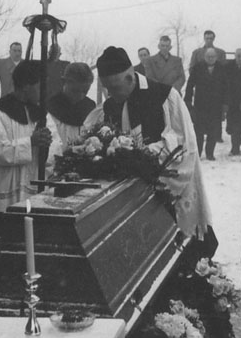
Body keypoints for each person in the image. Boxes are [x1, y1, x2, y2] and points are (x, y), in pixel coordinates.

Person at [84, 46, 212, 240]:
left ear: (130, 78)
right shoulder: (108, 107)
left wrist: (138, 154)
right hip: (127, 196)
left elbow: (183, 145)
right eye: (106, 88)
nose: (110, 94)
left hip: (168, 191)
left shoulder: (164, 96)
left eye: (114, 88)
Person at [0, 60, 53, 232]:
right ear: (26, 86)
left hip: (30, 198)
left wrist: (47, 146)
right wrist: (31, 142)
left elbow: (54, 152)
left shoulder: (41, 115)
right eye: (40, 86)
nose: (45, 91)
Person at [184, 47, 227, 161]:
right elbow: (190, 84)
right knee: (198, 131)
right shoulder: (198, 67)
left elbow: (226, 87)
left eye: (213, 57)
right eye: (208, 57)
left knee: (213, 131)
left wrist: (225, 103)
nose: (210, 59)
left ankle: (210, 153)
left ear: (216, 57)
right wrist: (188, 100)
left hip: (216, 105)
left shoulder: (221, 68)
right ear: (204, 57)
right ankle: (197, 153)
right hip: (200, 105)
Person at [47, 62, 96, 152]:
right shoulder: (50, 107)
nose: (80, 96)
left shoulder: (91, 108)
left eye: (85, 91)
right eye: (75, 91)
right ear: (64, 82)